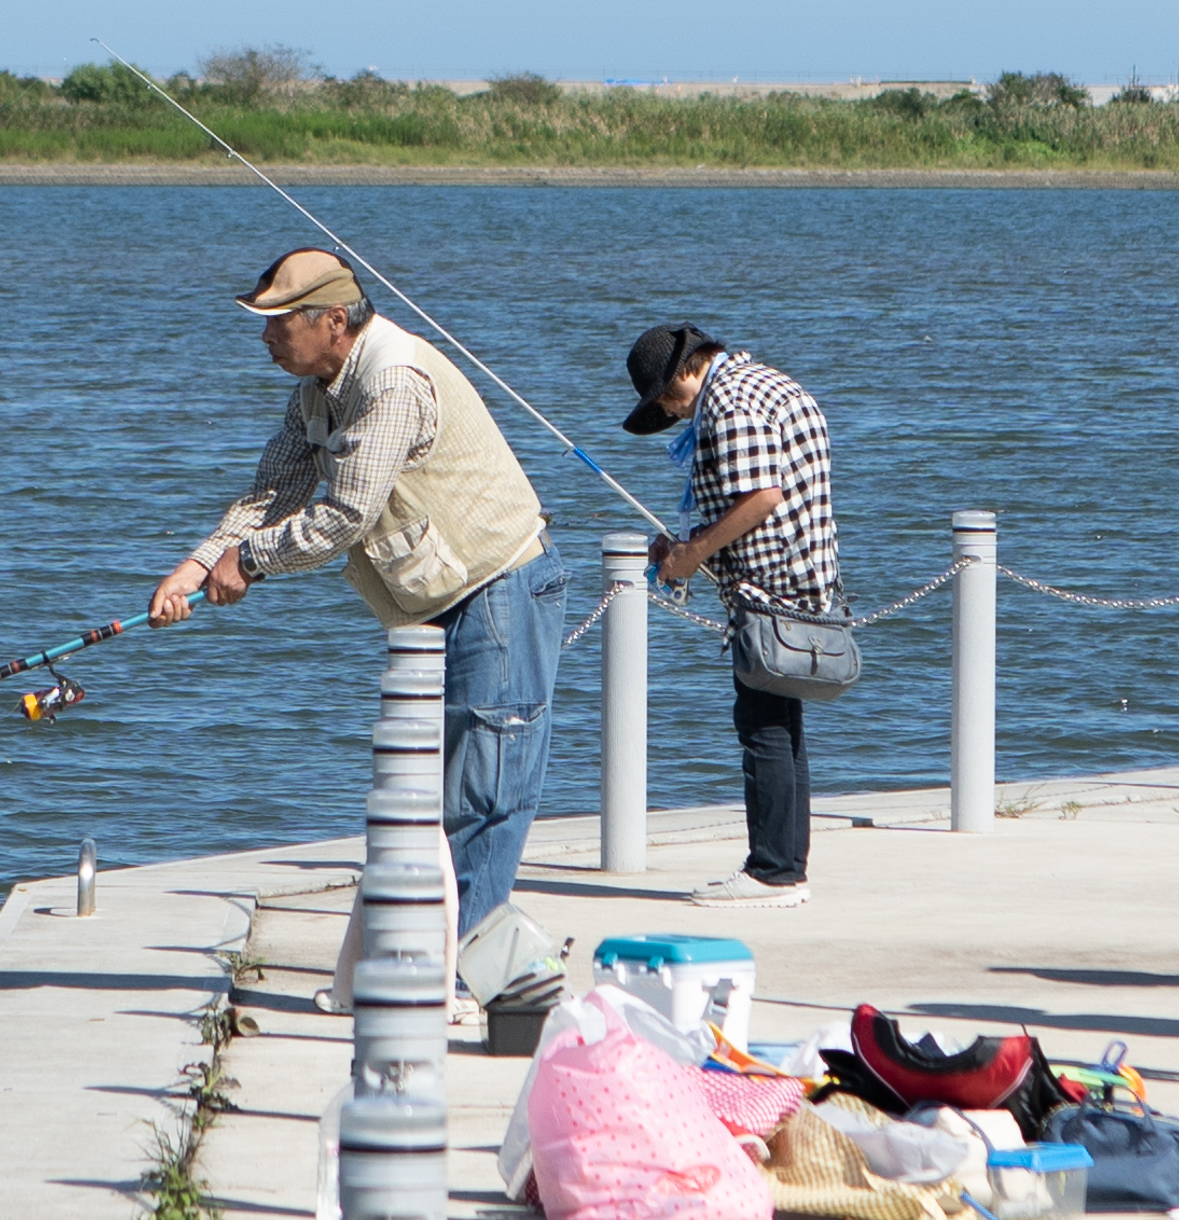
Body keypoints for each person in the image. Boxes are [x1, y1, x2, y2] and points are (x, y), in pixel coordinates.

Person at [154, 249, 566, 935]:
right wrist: (196, 566)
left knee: (487, 795)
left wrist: (249, 563)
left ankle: (467, 974)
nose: (265, 338)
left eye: (278, 323)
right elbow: (273, 490)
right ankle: (428, 962)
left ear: (333, 321)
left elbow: (348, 515)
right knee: (429, 795)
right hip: (435, 603)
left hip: (501, 589)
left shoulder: (392, 379)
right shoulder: (314, 391)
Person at [624, 322, 840, 910]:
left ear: (686, 372)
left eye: (666, 400)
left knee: (763, 726)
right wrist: (686, 545)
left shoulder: (729, 403)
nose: (670, 414)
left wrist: (691, 555)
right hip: (806, 583)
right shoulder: (766, 384)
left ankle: (771, 872)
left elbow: (761, 497)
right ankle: (787, 865)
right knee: (784, 725)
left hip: (768, 592)